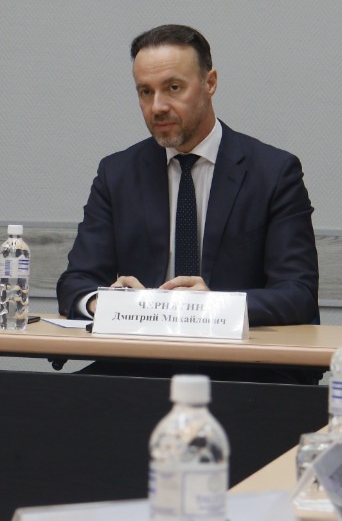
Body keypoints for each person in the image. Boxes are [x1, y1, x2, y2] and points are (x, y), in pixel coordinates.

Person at [57, 24, 319, 329]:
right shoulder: (117, 174)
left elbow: (297, 294)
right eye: (145, 92)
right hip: (139, 353)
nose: (157, 107)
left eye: (173, 88)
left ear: (210, 83)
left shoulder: (273, 173)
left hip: (235, 353)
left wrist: (212, 306)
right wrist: (104, 303)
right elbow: (76, 282)